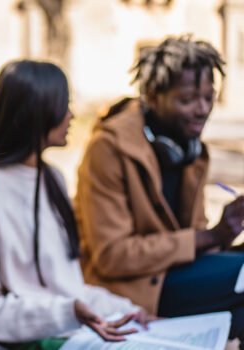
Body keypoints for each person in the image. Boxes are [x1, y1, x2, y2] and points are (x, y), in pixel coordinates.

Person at [74, 35, 244, 346]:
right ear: (152, 96)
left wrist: (228, 232)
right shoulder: (108, 149)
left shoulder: (192, 150)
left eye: (209, 97)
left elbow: (194, 236)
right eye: (187, 99)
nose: (202, 109)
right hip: (129, 288)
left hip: (173, 275)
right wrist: (209, 237)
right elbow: (111, 256)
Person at [0, 60, 151, 350]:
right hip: (31, 340)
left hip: (74, 329)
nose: (71, 115)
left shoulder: (52, 178)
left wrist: (129, 308)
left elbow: (68, 287)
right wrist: (68, 313)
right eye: (63, 105)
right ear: (35, 112)